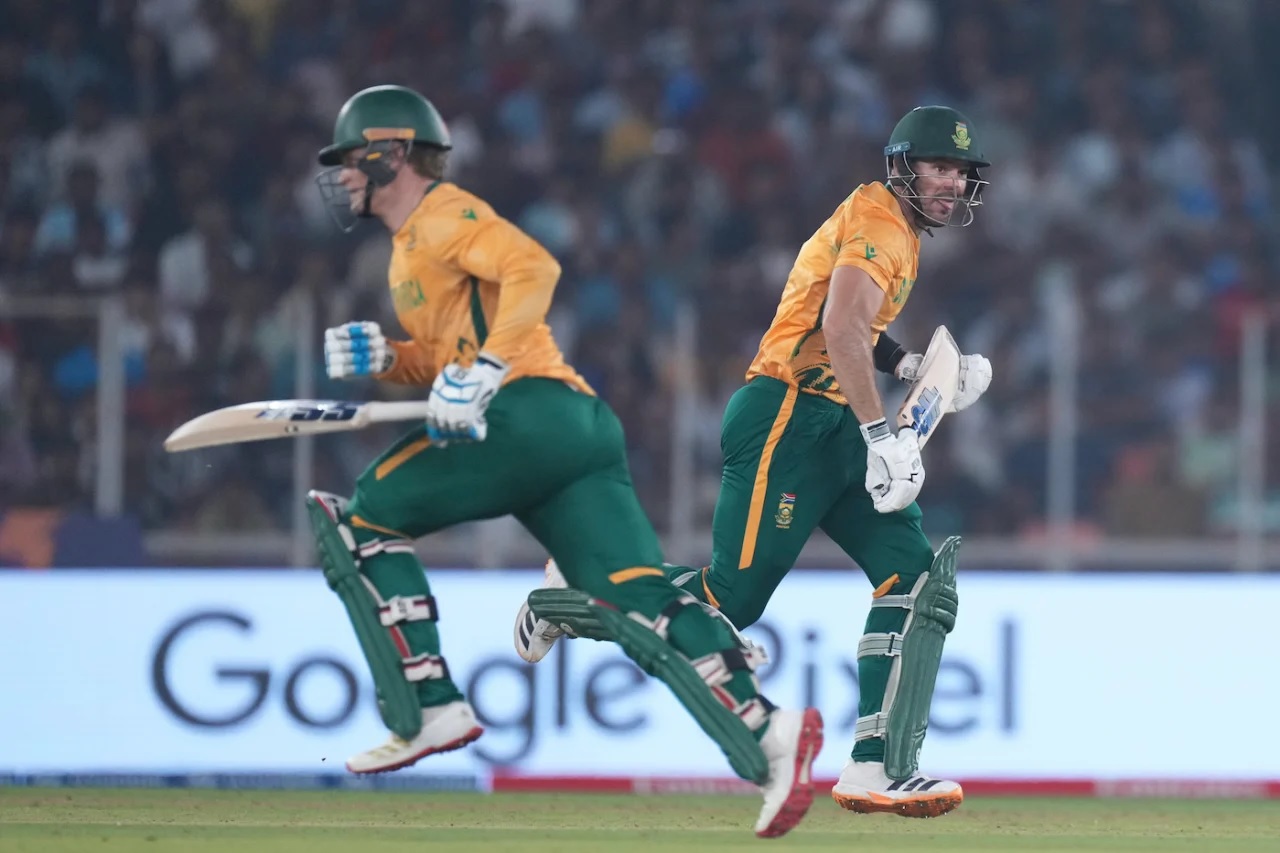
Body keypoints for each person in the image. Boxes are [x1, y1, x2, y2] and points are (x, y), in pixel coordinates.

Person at [309, 84, 823, 838]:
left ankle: (427, 705)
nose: (344, 175)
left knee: (359, 521)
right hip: (577, 428)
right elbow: (451, 358)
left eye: (353, 158)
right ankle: (770, 733)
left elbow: (534, 269)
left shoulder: (442, 215)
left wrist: (485, 372)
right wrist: (391, 356)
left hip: (525, 416)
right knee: (638, 599)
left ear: (393, 153)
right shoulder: (405, 254)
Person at [516, 105, 994, 818]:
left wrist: (909, 365)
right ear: (902, 168)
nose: (951, 182)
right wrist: (881, 434)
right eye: (938, 167)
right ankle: (574, 590)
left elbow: (853, 326)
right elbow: (840, 326)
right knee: (728, 601)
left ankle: (878, 764)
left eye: (960, 171)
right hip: (786, 415)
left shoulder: (895, 228)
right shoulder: (880, 223)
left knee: (918, 579)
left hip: (828, 416)